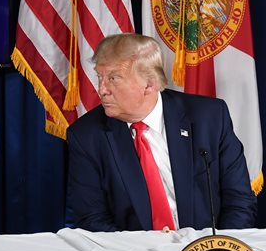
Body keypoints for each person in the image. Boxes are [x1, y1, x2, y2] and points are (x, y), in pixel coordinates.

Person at [67, 33, 257, 232]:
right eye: (100, 77)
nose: (101, 89)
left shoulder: (209, 118)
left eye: (113, 78)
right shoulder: (86, 135)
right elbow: (92, 219)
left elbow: (239, 202)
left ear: (149, 84)